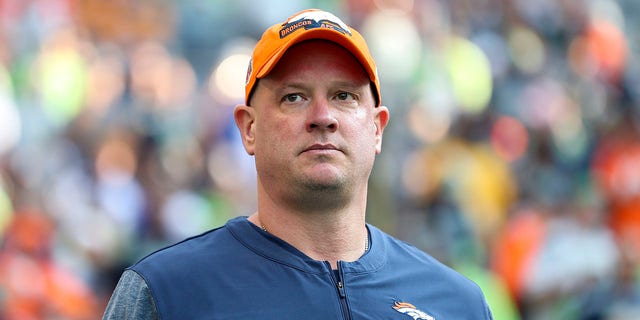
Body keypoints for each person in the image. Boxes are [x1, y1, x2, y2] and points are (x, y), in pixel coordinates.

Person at [103, 8, 493, 319]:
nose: (323, 116)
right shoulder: (168, 293)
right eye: (294, 97)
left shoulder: (457, 304)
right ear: (249, 128)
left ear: (377, 129)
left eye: (344, 95)